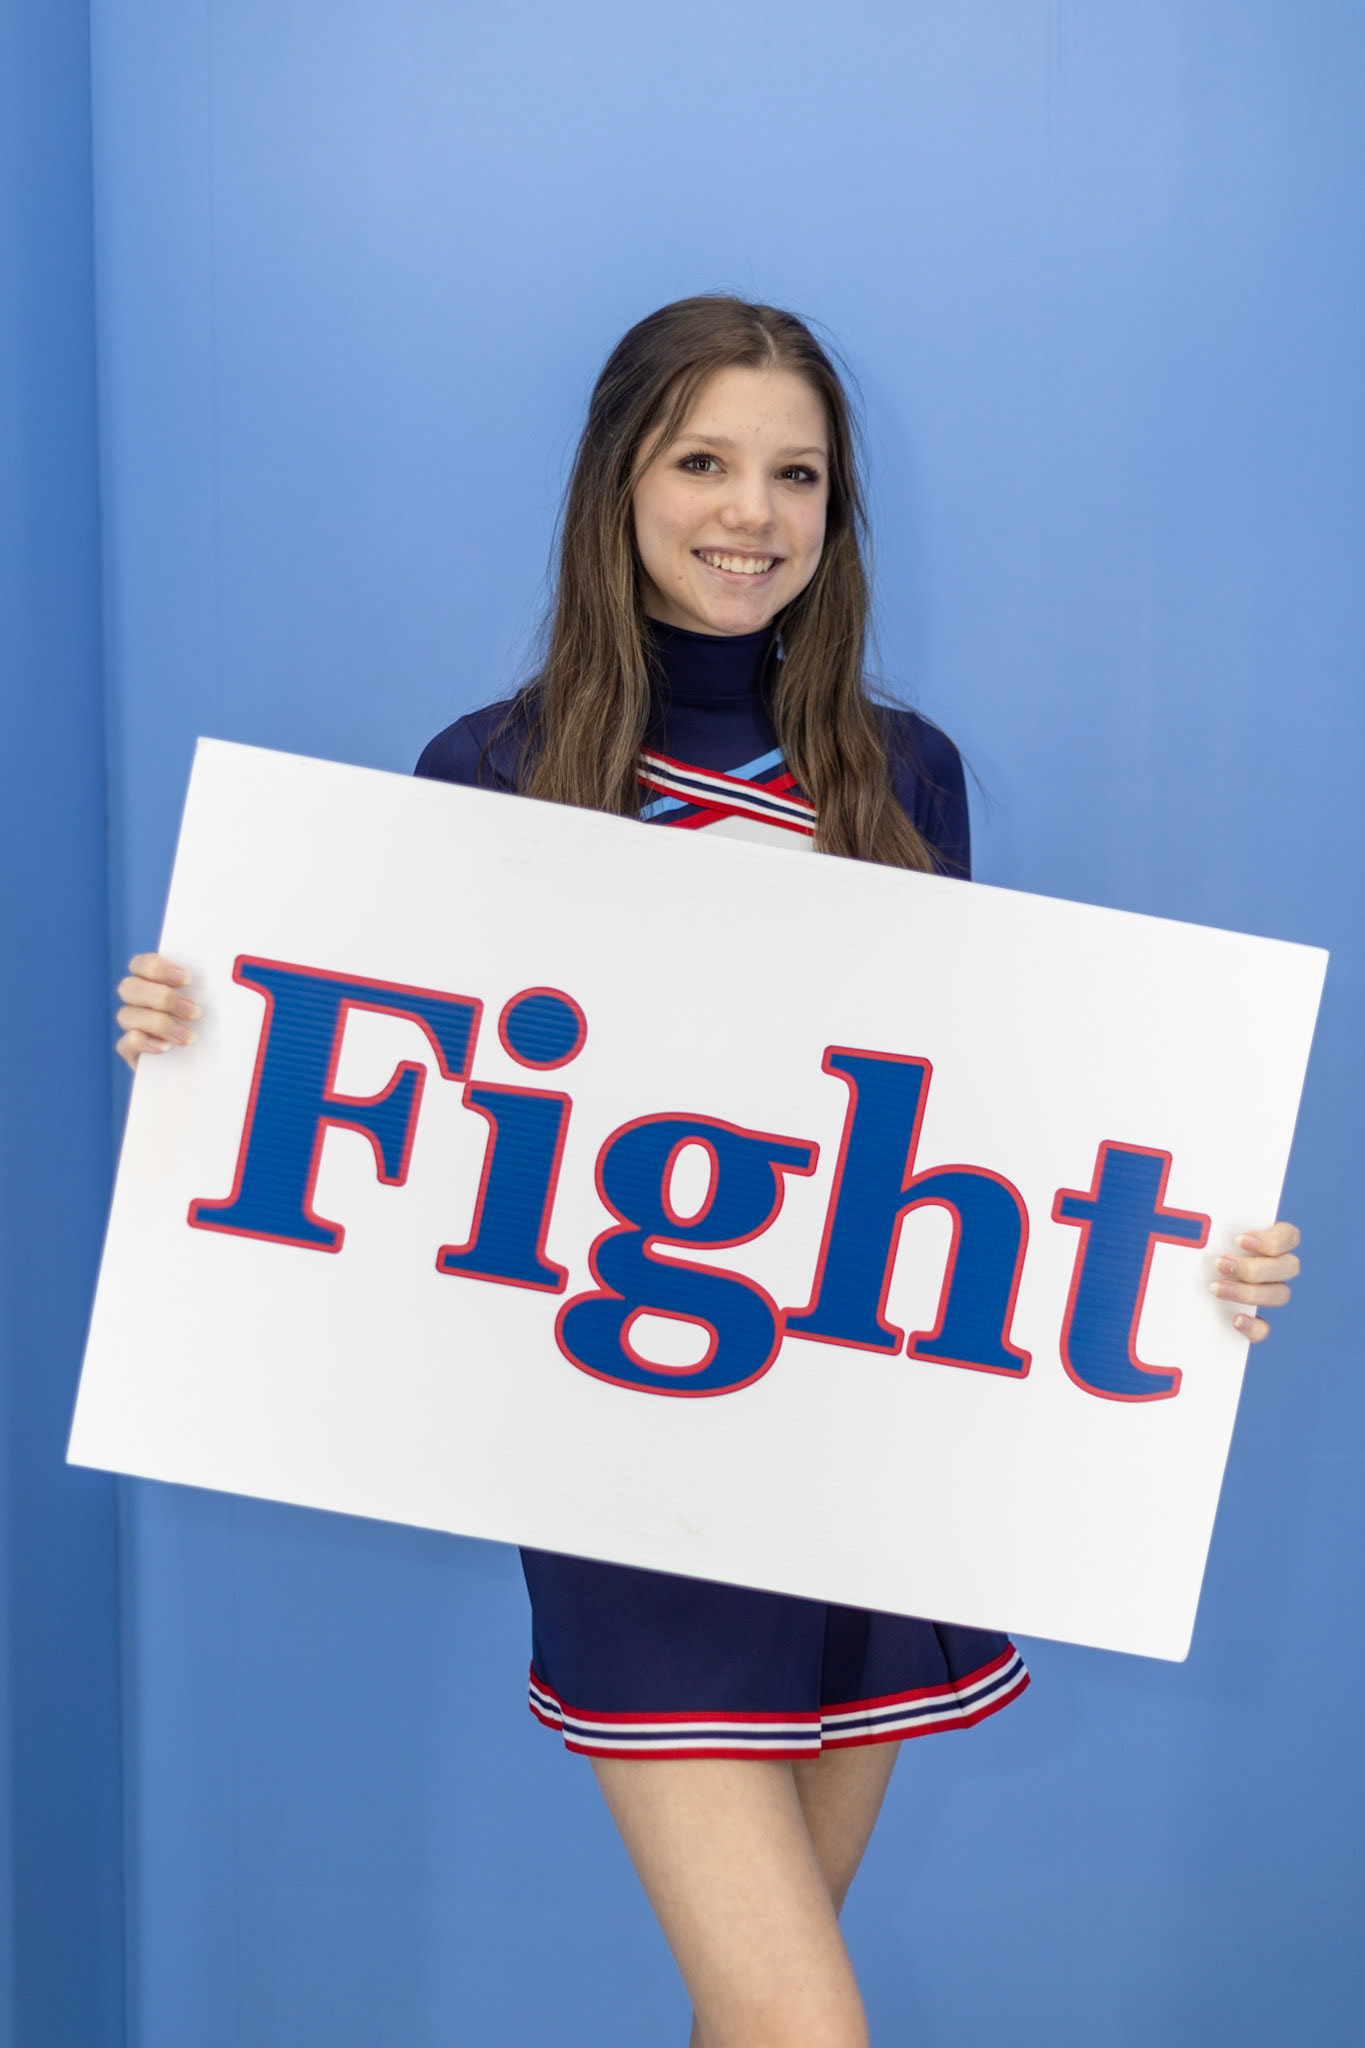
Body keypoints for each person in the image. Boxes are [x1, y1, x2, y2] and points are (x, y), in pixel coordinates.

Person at [113, 296, 1303, 2048]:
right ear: (620, 481)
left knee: (752, 2020)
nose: (750, 512)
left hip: (869, 1471)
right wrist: (209, 1036)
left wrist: (1181, 1256)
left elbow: (963, 1130)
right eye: (704, 461)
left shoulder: (902, 779)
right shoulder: (495, 776)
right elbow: (399, 1122)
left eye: (795, 474)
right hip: (632, 1489)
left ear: (836, 512)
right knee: (798, 2023)